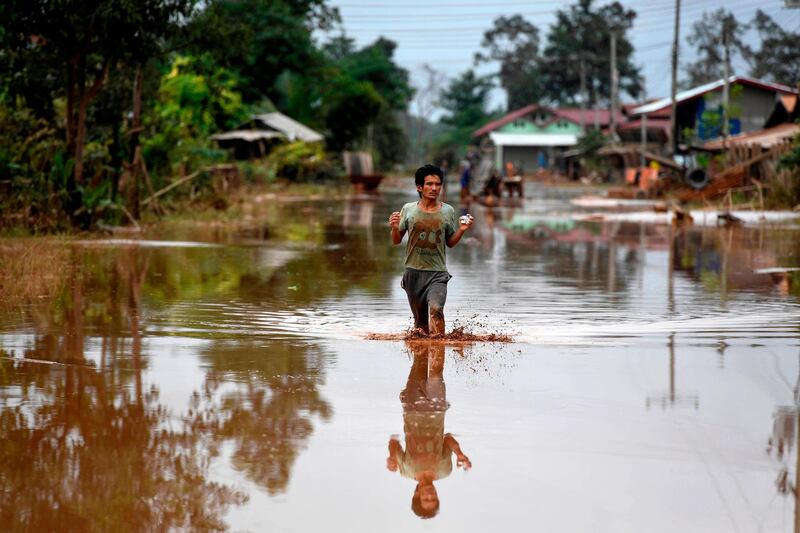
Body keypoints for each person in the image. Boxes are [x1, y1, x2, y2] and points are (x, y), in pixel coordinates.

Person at [386, 342, 471, 519]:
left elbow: (394, 442)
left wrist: (392, 456)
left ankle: (422, 334)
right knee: (436, 369)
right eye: (433, 498)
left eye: (426, 498)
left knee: (419, 360)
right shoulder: (445, 470)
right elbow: (447, 439)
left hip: (412, 410)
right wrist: (460, 454)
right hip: (437, 409)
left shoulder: (406, 471)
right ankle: (435, 337)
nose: (430, 495)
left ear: (416, 495)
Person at [388, 164, 473, 336]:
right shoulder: (409, 209)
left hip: (437, 273)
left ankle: (438, 355)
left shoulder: (448, 211)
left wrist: (462, 231)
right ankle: (421, 359)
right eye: (429, 184)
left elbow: (450, 242)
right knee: (420, 328)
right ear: (420, 187)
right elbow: (396, 241)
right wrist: (394, 227)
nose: (434, 188)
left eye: (438, 184)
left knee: (436, 309)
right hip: (413, 274)